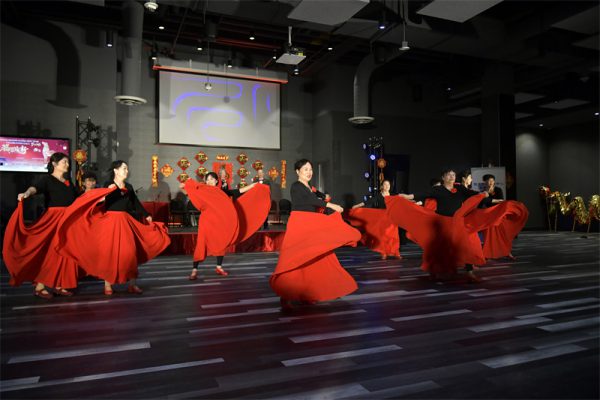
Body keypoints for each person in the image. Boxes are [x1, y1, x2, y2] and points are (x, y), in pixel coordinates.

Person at [55, 160, 171, 295]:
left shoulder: (129, 186)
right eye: (124, 168)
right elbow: (99, 202)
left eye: (127, 169)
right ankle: (108, 285)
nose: (126, 171)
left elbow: (135, 203)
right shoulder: (108, 185)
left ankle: (132, 284)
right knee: (109, 253)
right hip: (110, 222)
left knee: (130, 252)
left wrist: (147, 215)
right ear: (116, 171)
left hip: (125, 221)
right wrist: (106, 193)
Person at [270, 159, 361, 310]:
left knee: (312, 258)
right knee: (295, 259)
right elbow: (311, 199)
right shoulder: (296, 186)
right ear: (298, 171)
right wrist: (331, 204)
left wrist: (325, 196)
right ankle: (286, 294)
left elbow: (320, 196)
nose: (309, 172)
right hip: (300, 224)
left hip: (311, 223)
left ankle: (307, 294)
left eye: (310, 169)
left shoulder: (310, 188)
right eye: (305, 169)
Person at [386, 168, 493, 282]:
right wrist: (408, 196)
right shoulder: (438, 189)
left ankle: (469, 272)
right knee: (439, 248)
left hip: (457, 222)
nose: (452, 177)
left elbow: (472, 195)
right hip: (442, 223)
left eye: (453, 175)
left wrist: (483, 194)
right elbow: (423, 194)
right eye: (449, 175)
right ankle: (434, 271)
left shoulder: (460, 188)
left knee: (464, 245)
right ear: (443, 177)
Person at [3, 152, 80, 299]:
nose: (67, 165)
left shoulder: (68, 181)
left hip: (68, 221)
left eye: (68, 162)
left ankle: (59, 284)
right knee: (49, 252)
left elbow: (79, 197)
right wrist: (26, 193)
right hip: (53, 219)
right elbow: (34, 188)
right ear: (54, 164)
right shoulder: (47, 179)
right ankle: (40, 286)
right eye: (64, 162)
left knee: (65, 252)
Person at [182, 172, 270, 279]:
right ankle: (194, 270)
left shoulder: (222, 192)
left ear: (216, 181)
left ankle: (219, 267)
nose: (209, 181)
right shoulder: (203, 190)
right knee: (201, 243)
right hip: (206, 222)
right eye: (207, 179)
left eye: (211, 179)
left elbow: (238, 191)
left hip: (219, 221)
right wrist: (187, 185)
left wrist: (253, 185)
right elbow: (187, 190)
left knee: (221, 241)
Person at [479, 174, 529, 260]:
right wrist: (491, 200)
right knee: (489, 236)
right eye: (488, 181)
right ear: (485, 182)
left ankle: (507, 252)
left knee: (502, 235)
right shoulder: (483, 192)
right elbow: (483, 203)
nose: (490, 182)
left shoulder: (498, 190)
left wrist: (492, 201)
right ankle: (487, 254)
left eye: (492, 180)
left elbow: (501, 201)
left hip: (499, 215)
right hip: (489, 217)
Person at [348, 180, 401, 259]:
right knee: (383, 236)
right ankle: (383, 253)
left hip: (392, 218)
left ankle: (396, 252)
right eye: (385, 184)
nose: (387, 186)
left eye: (388, 185)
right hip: (383, 218)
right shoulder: (379, 196)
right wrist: (358, 205)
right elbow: (368, 202)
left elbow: (400, 202)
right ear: (382, 186)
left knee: (394, 235)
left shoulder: (393, 195)